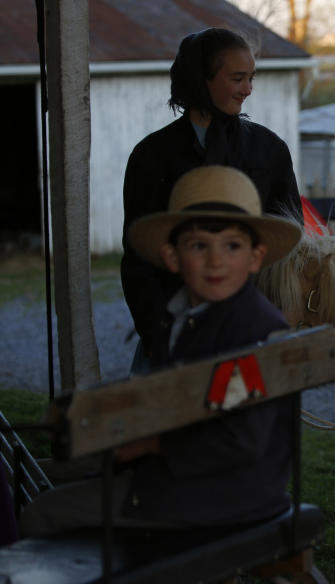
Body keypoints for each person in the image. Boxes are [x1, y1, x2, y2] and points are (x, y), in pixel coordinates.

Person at [21, 166, 303, 535]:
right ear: (172, 257)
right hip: (199, 482)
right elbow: (188, 403)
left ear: (255, 257)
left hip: (223, 496)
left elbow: (239, 439)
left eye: (232, 246)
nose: (215, 260)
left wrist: (149, 444)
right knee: (40, 474)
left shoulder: (250, 332)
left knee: (41, 512)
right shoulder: (184, 315)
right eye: (199, 245)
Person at [122, 27, 303, 367]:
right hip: (173, 333)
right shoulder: (152, 156)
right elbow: (138, 260)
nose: (248, 90)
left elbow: (288, 249)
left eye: (251, 78)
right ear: (201, 79)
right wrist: (154, 334)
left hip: (250, 327)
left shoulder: (269, 150)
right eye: (237, 78)